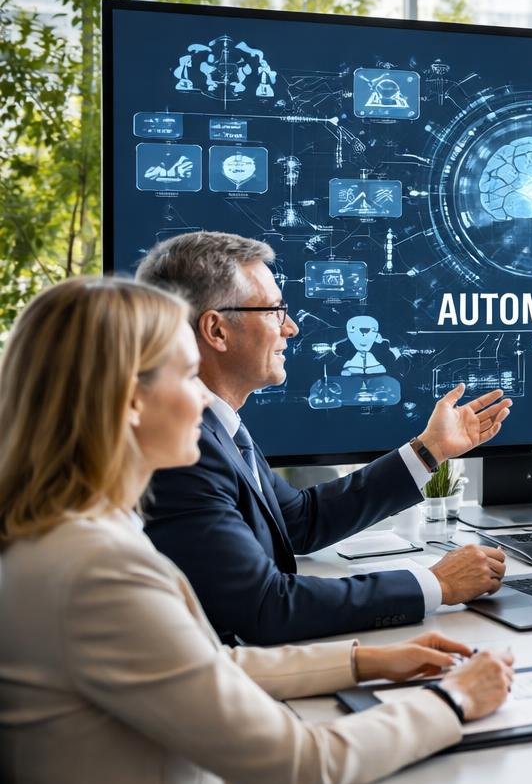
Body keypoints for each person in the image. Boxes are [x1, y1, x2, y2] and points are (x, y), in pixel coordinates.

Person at [0, 276, 517, 784]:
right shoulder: (98, 572)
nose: (204, 398)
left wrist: (365, 660)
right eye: (187, 376)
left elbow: (202, 665)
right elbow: (303, 768)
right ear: (131, 401)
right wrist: (454, 700)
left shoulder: (63, 536)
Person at [135, 231, 512, 644]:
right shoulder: (183, 448)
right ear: (217, 330)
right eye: (275, 311)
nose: (291, 328)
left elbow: (299, 520)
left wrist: (430, 449)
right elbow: (266, 606)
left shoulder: (218, 428)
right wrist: (436, 584)